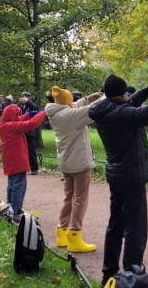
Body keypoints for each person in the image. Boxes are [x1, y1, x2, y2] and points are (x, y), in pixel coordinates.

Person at [88, 75, 148, 285]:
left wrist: (147, 90)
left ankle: (109, 273)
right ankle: (132, 274)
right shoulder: (123, 113)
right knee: (135, 229)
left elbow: (129, 104)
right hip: (132, 177)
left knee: (115, 225)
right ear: (122, 93)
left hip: (116, 175)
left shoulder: (103, 110)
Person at [45, 86, 104, 253]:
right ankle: (75, 236)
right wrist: (106, 97)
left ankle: (62, 232)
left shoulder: (58, 112)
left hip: (66, 163)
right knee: (80, 199)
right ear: (67, 102)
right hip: (78, 163)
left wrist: (88, 98)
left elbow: (77, 106)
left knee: (68, 197)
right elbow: (92, 110)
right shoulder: (70, 115)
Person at [0, 104, 46, 222]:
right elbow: (31, 124)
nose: (19, 115)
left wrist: (27, 115)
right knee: (19, 185)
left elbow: (18, 120)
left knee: (12, 184)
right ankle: (15, 211)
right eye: (17, 113)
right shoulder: (12, 126)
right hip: (16, 158)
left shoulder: (4, 123)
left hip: (10, 159)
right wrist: (43, 113)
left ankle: (10, 208)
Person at [17, 92, 40, 175]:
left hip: (30, 130)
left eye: (26, 97)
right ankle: (22, 167)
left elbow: (35, 109)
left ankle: (34, 168)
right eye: (22, 97)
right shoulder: (19, 105)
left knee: (31, 150)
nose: (23, 98)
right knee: (20, 150)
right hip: (20, 130)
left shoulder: (32, 105)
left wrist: (28, 102)